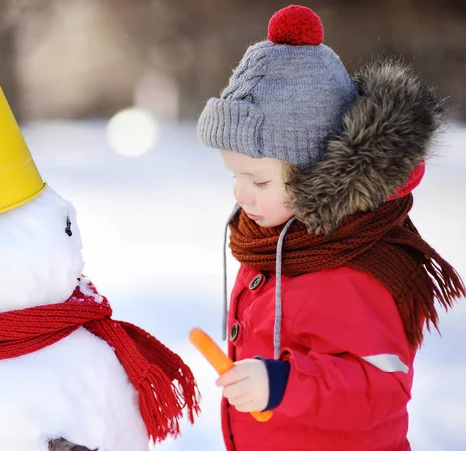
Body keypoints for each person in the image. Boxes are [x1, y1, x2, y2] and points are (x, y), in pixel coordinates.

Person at [196, 4, 465, 450]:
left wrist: (282, 384)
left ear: (312, 171)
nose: (240, 194)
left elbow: (380, 388)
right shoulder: (276, 241)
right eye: (235, 176)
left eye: (258, 180)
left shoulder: (353, 264)